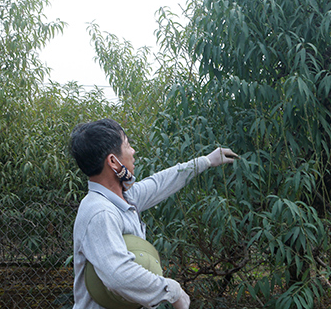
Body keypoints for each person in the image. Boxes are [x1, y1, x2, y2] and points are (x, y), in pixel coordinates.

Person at [69, 118, 237, 309]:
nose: (133, 152)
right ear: (114, 162)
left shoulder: (125, 197)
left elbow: (161, 182)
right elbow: (119, 275)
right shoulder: (99, 212)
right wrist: (173, 291)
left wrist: (206, 161)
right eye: (127, 145)